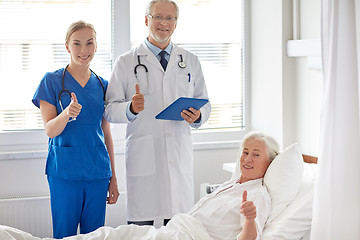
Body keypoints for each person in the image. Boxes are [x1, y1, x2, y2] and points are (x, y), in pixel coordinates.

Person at [0, 131, 278, 240]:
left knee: (110, 236)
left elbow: (247, 239)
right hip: (171, 233)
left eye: (256, 154)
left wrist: (251, 219)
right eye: (245, 151)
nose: (247, 158)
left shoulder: (257, 195)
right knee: (110, 234)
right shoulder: (232, 184)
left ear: (269, 163)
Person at [104, 0, 211, 226]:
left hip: (178, 155)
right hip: (144, 157)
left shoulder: (190, 61)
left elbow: (205, 104)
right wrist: (130, 109)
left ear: (175, 24)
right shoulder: (126, 62)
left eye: (170, 18)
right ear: (146, 20)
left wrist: (198, 116)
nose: (164, 23)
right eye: (158, 17)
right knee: (141, 230)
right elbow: (109, 109)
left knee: (178, 228)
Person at [32, 20, 119, 238]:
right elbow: (50, 130)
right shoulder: (51, 81)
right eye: (77, 43)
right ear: (67, 46)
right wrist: (67, 113)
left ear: (96, 46)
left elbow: (106, 134)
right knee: (64, 234)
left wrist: (114, 177)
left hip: (97, 172)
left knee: (95, 235)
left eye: (89, 43)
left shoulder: (103, 85)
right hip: (64, 172)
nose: (83, 50)